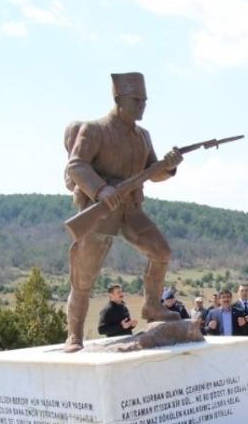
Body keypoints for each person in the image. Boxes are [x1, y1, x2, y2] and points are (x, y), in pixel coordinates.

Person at [62, 72, 184, 352]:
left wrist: (169, 166)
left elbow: (153, 172)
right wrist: (100, 190)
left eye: (144, 100)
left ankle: (152, 306)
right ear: (118, 99)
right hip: (102, 210)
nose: (142, 105)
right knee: (83, 277)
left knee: (161, 252)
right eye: (136, 100)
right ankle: (74, 334)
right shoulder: (95, 130)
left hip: (130, 208)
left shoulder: (143, 136)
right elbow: (77, 165)